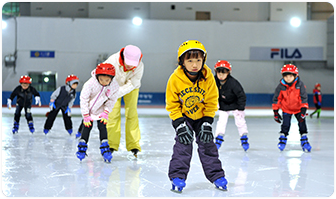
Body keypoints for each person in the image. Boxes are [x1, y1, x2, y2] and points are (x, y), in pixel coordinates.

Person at [165, 40, 227, 192]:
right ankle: (177, 176)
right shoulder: (175, 79)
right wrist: (179, 124)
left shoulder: (208, 78)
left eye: (198, 60)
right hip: (184, 116)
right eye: (190, 60)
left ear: (203, 60)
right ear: (182, 62)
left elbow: (212, 101)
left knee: (208, 144)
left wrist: (207, 122)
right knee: (183, 145)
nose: (195, 64)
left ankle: (216, 175)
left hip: (201, 117)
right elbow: (172, 104)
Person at [103, 45, 144, 158]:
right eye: (128, 62)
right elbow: (102, 76)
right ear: (123, 57)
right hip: (113, 87)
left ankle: (134, 145)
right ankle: (111, 144)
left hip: (132, 88)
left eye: (133, 63)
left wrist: (117, 93)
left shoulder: (139, 66)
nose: (131, 65)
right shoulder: (112, 61)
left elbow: (133, 83)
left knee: (132, 114)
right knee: (112, 114)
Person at [76, 63, 119, 163]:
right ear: (97, 76)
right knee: (86, 127)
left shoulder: (114, 86)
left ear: (111, 78)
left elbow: (112, 100)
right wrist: (86, 115)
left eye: (107, 80)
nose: (104, 83)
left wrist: (106, 112)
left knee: (102, 126)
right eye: (101, 80)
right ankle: (82, 146)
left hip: (101, 111)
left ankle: (105, 146)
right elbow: (84, 99)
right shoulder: (90, 84)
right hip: (89, 111)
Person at [272, 64, 312, 152]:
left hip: (298, 109)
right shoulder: (281, 86)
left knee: (302, 124)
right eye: (286, 76)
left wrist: (303, 110)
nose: (288, 78)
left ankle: (304, 138)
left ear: (295, 76)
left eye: (290, 76)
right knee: (285, 125)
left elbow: (303, 98)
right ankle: (283, 138)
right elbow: (277, 99)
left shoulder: (300, 85)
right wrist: (275, 111)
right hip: (287, 109)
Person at [213, 60, 249, 151]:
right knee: (222, 121)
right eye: (219, 72)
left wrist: (241, 109)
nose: (221, 75)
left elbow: (241, 95)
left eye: (223, 72)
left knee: (240, 121)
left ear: (228, 73)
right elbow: (210, 93)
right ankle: (218, 138)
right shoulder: (213, 81)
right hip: (224, 104)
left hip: (235, 104)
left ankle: (244, 137)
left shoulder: (233, 83)